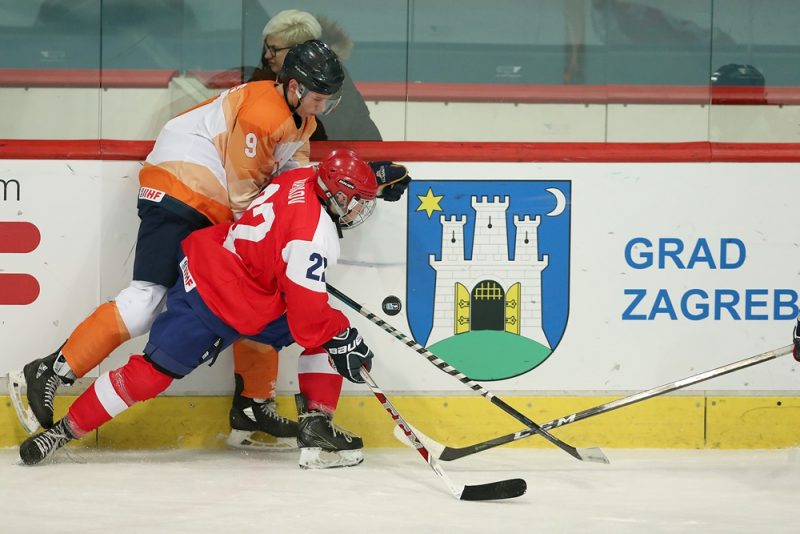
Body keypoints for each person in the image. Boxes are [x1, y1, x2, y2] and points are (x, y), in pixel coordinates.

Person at [9, 39, 406, 451]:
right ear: (294, 87)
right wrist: (292, 246)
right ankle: (52, 368)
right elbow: (243, 196)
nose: (324, 107)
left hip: (204, 199)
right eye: (319, 97)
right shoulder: (262, 114)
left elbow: (299, 181)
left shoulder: (298, 120)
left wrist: (364, 180)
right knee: (146, 300)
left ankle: (253, 403)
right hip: (181, 190)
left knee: (263, 293)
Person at [19, 149, 379, 469]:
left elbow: (297, 240)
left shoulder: (304, 175)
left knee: (323, 335)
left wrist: (378, 176)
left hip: (218, 263)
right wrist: (343, 338)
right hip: (223, 298)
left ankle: (316, 428)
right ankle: (65, 430)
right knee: (329, 335)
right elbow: (309, 317)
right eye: (358, 201)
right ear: (338, 195)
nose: (361, 210)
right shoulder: (314, 238)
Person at [249, 9, 382, 141]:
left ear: (297, 50)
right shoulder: (263, 77)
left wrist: (382, 162)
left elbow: (362, 129)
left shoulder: (335, 79)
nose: (267, 55)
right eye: (266, 48)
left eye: (274, 50)